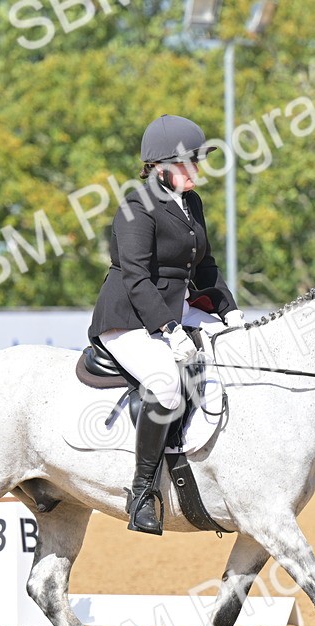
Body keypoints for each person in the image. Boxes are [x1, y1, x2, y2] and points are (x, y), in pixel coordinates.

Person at [88, 114, 244, 535]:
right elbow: (137, 279)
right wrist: (171, 332)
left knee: (234, 346)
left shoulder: (191, 203)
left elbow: (205, 265)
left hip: (175, 308)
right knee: (165, 382)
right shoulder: (135, 205)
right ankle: (141, 493)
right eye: (190, 161)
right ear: (161, 165)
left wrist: (229, 313)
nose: (197, 168)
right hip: (128, 316)